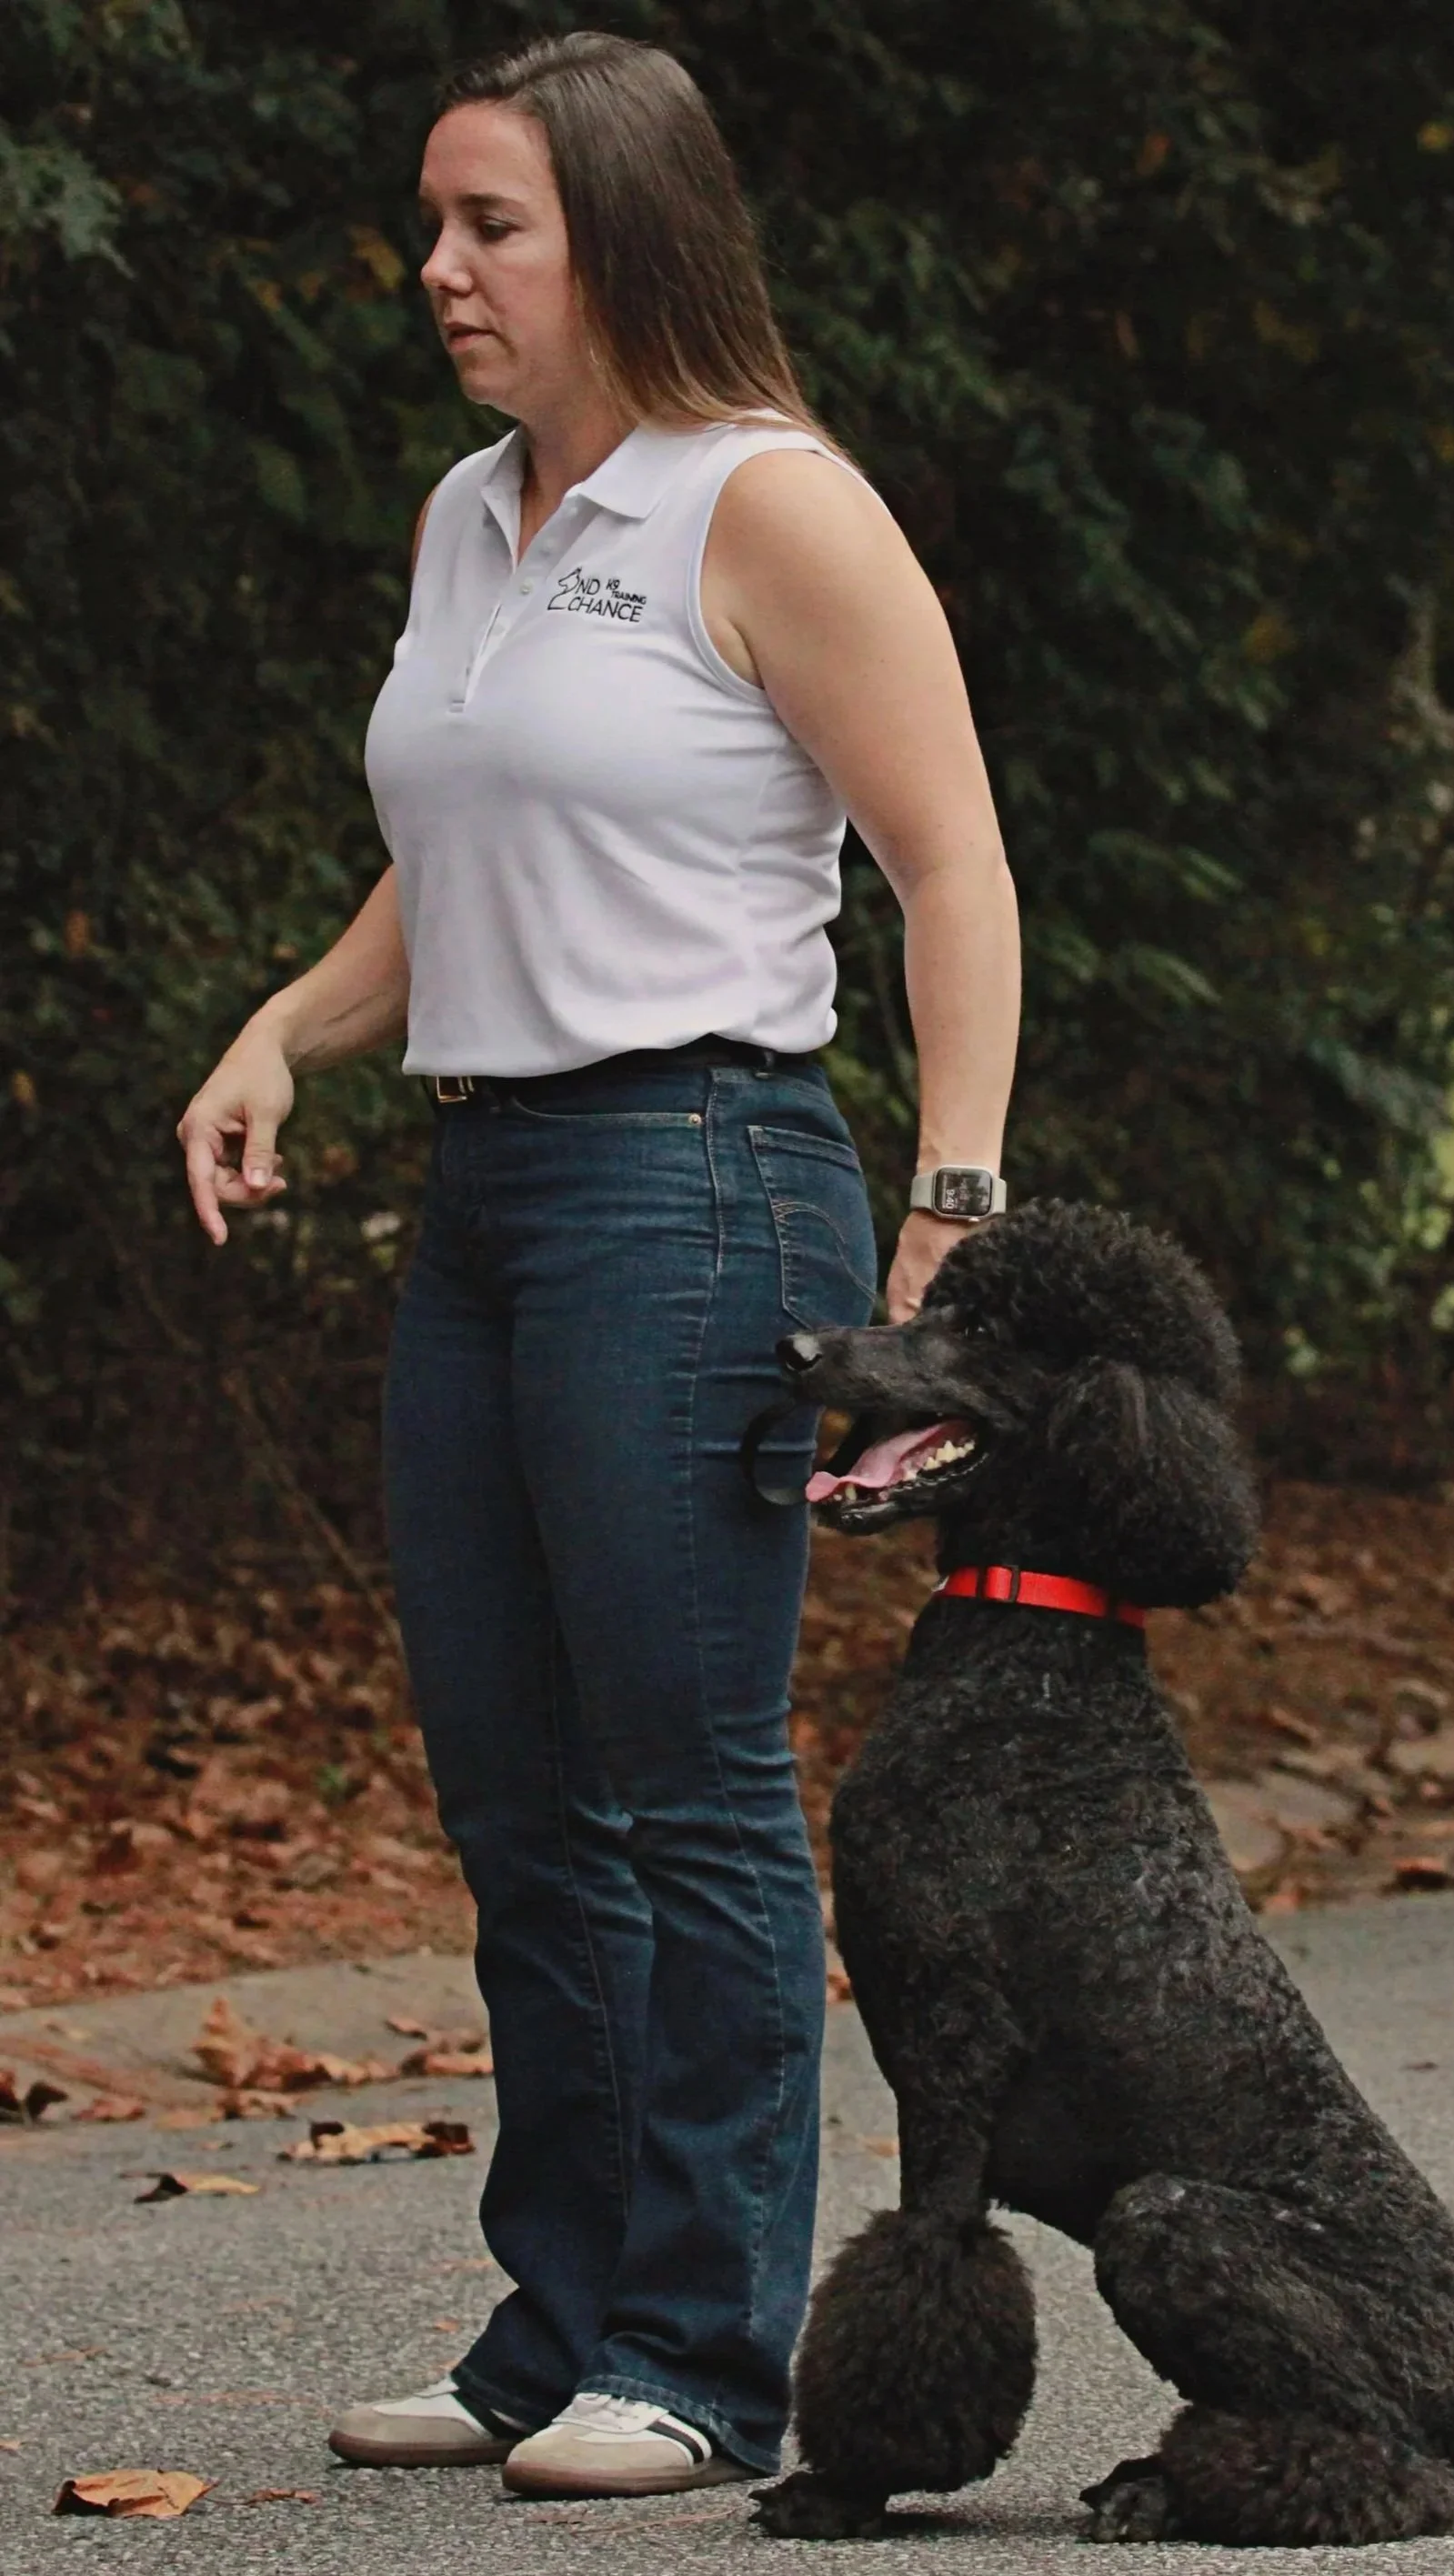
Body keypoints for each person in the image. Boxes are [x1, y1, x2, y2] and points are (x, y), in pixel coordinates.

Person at [175, 28, 1019, 2504]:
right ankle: (557, 2323)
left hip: (700, 1176)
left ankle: (702, 2345)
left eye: (492, 227)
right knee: (519, 1801)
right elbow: (464, 844)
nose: (437, 268)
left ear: (626, 238)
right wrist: (288, 1027)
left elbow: (952, 865)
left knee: (681, 1787)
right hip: (491, 1197)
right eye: (433, 223)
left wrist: (949, 1210)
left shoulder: (772, 504)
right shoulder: (474, 518)